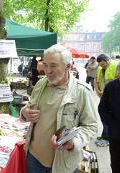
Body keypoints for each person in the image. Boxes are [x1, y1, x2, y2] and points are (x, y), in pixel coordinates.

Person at [20, 44, 98, 173]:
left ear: (68, 66)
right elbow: (29, 107)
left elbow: (91, 126)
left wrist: (74, 142)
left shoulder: (82, 91)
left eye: (54, 65)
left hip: (62, 164)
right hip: (33, 157)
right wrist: (24, 112)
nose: (48, 70)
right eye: (45, 64)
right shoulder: (40, 84)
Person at [98, 59, 120, 173]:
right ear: (117, 74)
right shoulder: (111, 86)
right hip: (116, 135)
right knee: (115, 163)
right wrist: (109, 124)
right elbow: (102, 108)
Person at [94, 54, 117, 147]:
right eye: (100, 65)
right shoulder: (100, 68)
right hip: (103, 96)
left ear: (107, 60)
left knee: (107, 116)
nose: (101, 66)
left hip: (113, 97)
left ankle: (107, 138)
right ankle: (105, 135)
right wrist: (97, 90)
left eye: (103, 65)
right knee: (103, 114)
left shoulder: (115, 66)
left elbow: (119, 81)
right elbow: (96, 79)